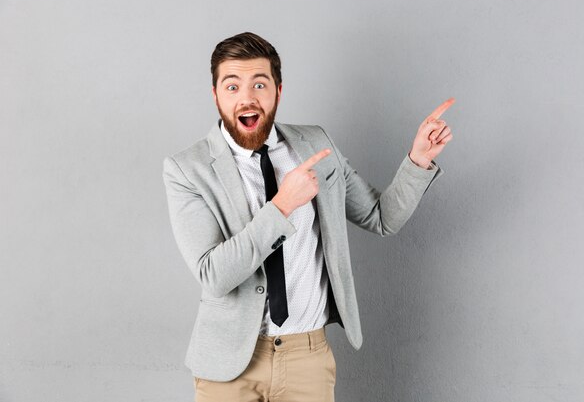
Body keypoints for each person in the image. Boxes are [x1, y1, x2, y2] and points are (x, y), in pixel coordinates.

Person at [163, 31, 453, 402]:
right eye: (232, 86)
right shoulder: (188, 169)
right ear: (216, 94)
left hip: (307, 359)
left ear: (278, 92)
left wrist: (418, 160)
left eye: (260, 84)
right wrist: (282, 206)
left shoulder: (316, 145)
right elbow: (214, 275)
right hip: (229, 365)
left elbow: (383, 218)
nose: (247, 97)